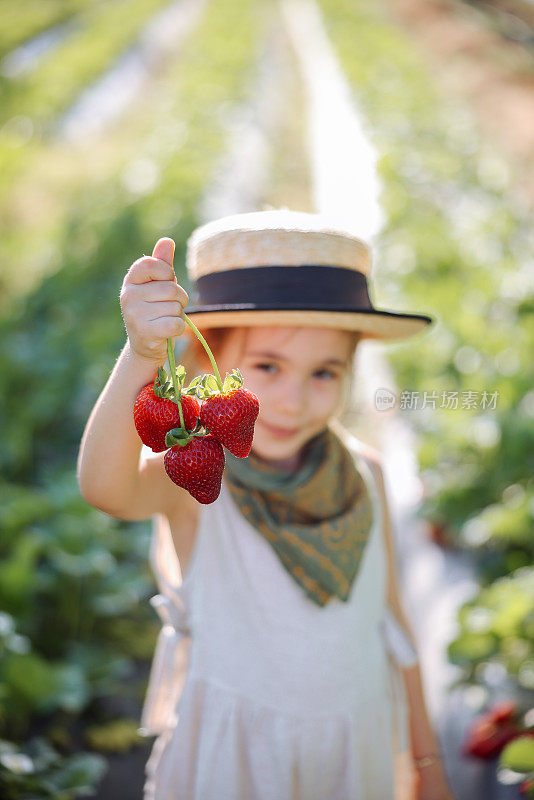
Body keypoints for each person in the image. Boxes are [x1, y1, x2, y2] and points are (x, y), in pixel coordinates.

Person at [77, 209, 455, 800]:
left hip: (352, 749)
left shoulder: (367, 474)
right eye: (267, 366)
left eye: (325, 373)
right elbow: (105, 487)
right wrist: (142, 355)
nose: (293, 399)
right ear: (208, 362)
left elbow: (394, 624)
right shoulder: (198, 479)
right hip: (237, 758)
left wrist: (427, 764)